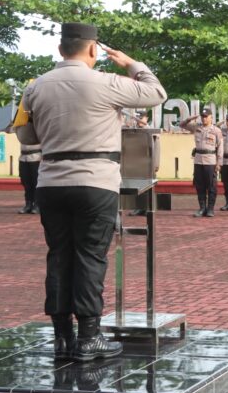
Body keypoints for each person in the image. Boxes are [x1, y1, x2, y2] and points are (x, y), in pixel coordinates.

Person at [15, 22, 167, 362]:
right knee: (90, 257)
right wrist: (130, 63)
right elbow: (157, 94)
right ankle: (88, 338)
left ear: (60, 49)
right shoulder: (107, 82)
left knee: (59, 255)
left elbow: (25, 136)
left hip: (51, 182)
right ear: (94, 50)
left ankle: (61, 338)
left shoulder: (35, 87)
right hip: (95, 182)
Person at [180, 108, 223, 217]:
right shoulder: (197, 127)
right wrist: (190, 118)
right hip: (198, 160)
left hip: (210, 160)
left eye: (206, 116)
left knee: (211, 186)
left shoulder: (216, 130)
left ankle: (210, 209)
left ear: (211, 117)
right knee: (200, 186)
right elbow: (182, 125)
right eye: (202, 116)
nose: (204, 118)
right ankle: (202, 208)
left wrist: (219, 163)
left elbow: (221, 147)